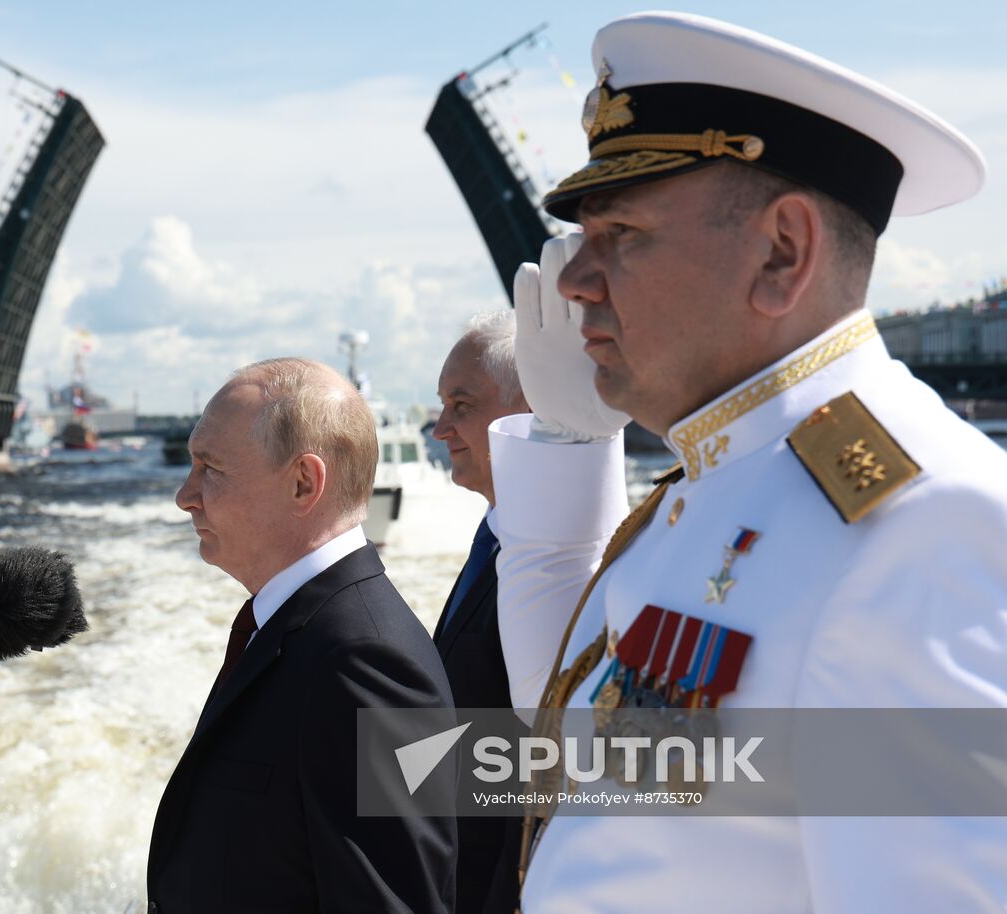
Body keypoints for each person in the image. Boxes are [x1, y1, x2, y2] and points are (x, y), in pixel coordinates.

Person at [486, 11, 1007, 913]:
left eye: (623, 235)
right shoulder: (714, 487)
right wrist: (569, 444)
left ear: (782, 252)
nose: (573, 280)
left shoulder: (914, 527)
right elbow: (578, 748)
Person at [147, 357, 457, 914]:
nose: (185, 495)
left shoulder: (366, 664)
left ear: (303, 483)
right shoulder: (303, 632)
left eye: (210, 468)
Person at [430, 311, 530, 914]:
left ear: (529, 409)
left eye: (461, 405)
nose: (440, 428)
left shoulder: (564, 563)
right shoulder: (497, 533)